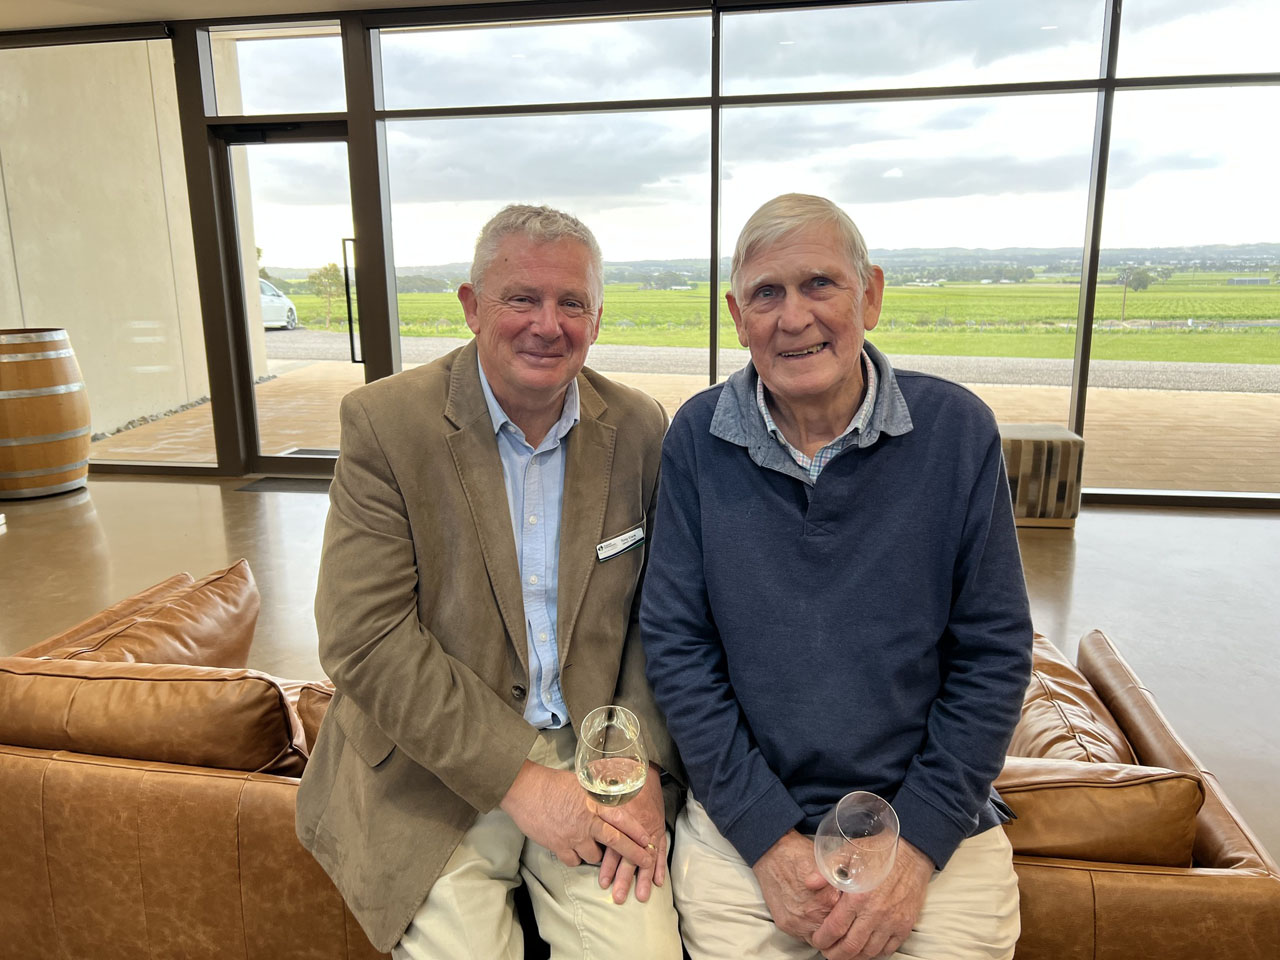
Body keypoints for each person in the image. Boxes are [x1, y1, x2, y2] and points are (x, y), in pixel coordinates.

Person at [640, 193, 1033, 960]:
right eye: (766, 293)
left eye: (820, 284)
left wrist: (915, 849)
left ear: (871, 295)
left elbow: (993, 654)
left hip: (930, 825)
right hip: (745, 829)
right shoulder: (695, 437)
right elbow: (678, 649)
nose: (794, 318)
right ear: (736, 313)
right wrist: (766, 838)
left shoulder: (957, 432)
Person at [297, 204, 683, 959]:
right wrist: (522, 781)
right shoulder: (386, 424)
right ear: (473, 307)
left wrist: (636, 761)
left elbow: (655, 616)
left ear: (597, 318)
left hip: (592, 756)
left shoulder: (639, 429)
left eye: (571, 302)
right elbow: (363, 639)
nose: (548, 323)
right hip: (430, 767)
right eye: (521, 298)